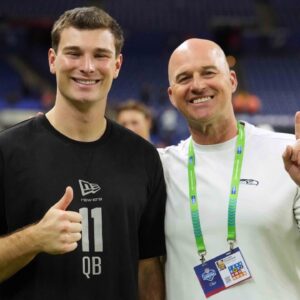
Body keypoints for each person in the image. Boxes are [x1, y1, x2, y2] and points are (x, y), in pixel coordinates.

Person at [0, 7, 166, 300]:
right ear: (53, 61)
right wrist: (34, 239)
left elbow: (148, 267)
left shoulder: (143, 157)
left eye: (100, 55)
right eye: (74, 53)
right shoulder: (8, 151)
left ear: (117, 65)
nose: (87, 67)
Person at [158, 38, 300, 299]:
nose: (198, 85)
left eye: (209, 72)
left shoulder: (289, 155)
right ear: (172, 95)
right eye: (184, 77)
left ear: (232, 81)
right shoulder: (160, 169)